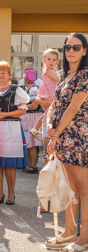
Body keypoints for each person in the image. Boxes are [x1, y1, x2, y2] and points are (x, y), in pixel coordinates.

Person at [45, 33, 88, 252]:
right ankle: (70, 231)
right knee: (70, 187)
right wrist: (50, 128)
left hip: (78, 136)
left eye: (76, 47)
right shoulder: (64, 75)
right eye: (67, 47)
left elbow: (73, 107)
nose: (70, 50)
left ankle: (84, 238)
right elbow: (55, 104)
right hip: (62, 135)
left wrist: (56, 133)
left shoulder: (85, 75)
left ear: (84, 51)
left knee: (83, 189)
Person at [0, 61, 30, 205]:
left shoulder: (16, 90)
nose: (1, 75)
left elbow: (23, 110)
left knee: (9, 164)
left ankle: (11, 194)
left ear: (10, 75)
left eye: (4, 73)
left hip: (11, 129)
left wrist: (5, 114)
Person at [30, 49, 60, 141]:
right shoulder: (46, 71)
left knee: (47, 114)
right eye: (49, 59)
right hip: (48, 96)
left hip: (49, 95)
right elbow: (58, 79)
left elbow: (58, 74)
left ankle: (37, 129)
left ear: (57, 62)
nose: (51, 62)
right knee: (47, 114)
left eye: (54, 60)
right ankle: (36, 129)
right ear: (44, 61)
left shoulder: (52, 71)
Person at [21, 70, 43, 174]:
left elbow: (35, 105)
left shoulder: (33, 89)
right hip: (30, 117)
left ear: (26, 79)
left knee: (32, 143)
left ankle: (33, 165)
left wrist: (21, 107)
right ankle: (30, 164)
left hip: (33, 117)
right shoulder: (31, 89)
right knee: (29, 142)